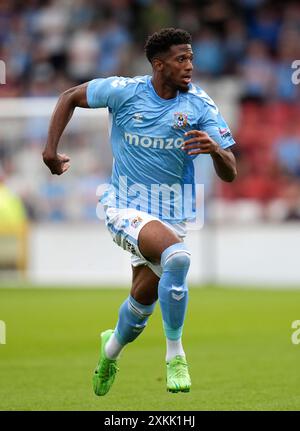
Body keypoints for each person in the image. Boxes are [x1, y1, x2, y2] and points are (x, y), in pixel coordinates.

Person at [43, 28, 237, 395]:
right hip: (123, 207)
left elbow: (230, 172)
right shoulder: (125, 92)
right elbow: (69, 96)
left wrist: (215, 150)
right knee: (177, 259)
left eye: (191, 58)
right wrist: (50, 151)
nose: (190, 66)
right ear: (158, 64)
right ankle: (176, 356)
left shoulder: (200, 106)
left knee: (142, 304)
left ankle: (109, 351)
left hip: (172, 217)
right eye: (182, 59)